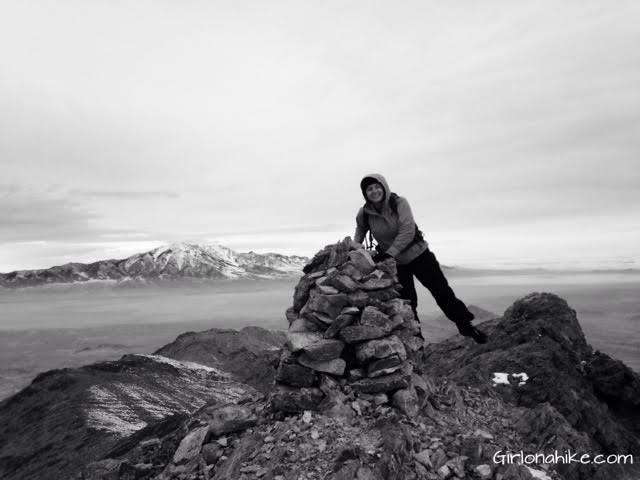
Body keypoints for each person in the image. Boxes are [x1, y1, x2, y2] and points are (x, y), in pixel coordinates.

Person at [354, 173, 487, 344]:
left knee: (441, 292)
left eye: (377, 187)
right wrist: (356, 247)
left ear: (384, 187)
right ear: (365, 193)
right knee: (408, 302)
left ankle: (464, 324)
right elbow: (360, 229)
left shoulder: (399, 203)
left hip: (419, 256)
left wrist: (390, 253)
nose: (374, 191)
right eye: (369, 189)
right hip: (396, 263)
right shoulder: (365, 213)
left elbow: (407, 230)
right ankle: (417, 341)